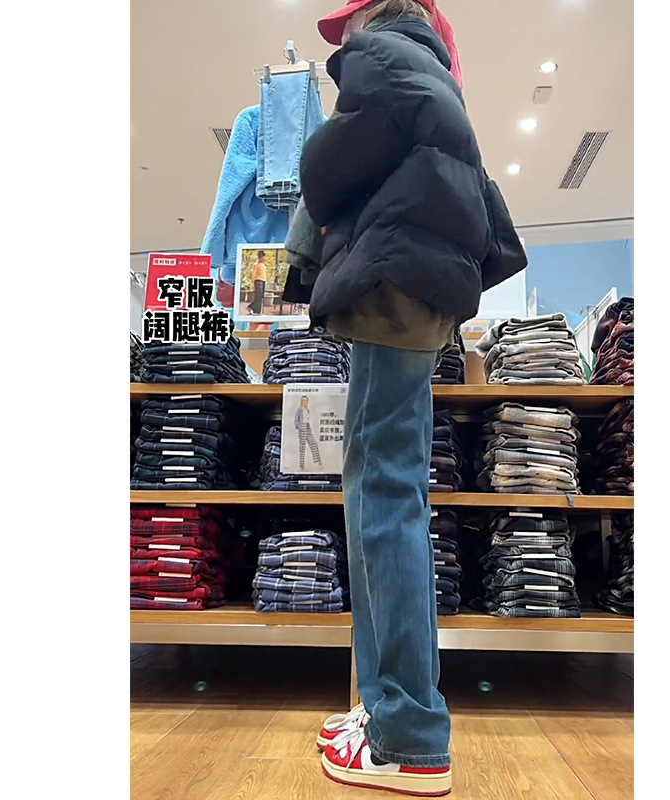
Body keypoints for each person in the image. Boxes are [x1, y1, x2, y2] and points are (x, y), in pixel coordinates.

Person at [297, 1, 527, 795]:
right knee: (393, 494)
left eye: (346, 26)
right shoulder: (431, 69)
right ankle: (388, 708)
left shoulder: (385, 56)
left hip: (391, 282)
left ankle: (408, 736)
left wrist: (315, 158)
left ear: (373, 13)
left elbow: (326, 168)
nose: (345, 41)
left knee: (383, 497)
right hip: (422, 287)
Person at [294, 395, 322, 470]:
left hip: (307, 427)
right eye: (303, 400)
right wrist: (300, 427)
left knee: (314, 444)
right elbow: (296, 420)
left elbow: (307, 419)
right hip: (302, 428)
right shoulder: (299, 409)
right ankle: (301, 466)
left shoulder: (307, 410)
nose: (305, 402)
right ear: (301, 401)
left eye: (306, 400)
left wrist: (308, 427)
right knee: (302, 448)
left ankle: (318, 462)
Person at [250, 250, 267, 314]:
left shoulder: (263, 265)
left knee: (261, 297)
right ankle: (256, 311)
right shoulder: (256, 265)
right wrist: (252, 284)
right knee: (258, 297)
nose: (263, 258)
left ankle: (253, 308)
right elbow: (254, 274)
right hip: (258, 281)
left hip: (263, 281)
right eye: (262, 257)